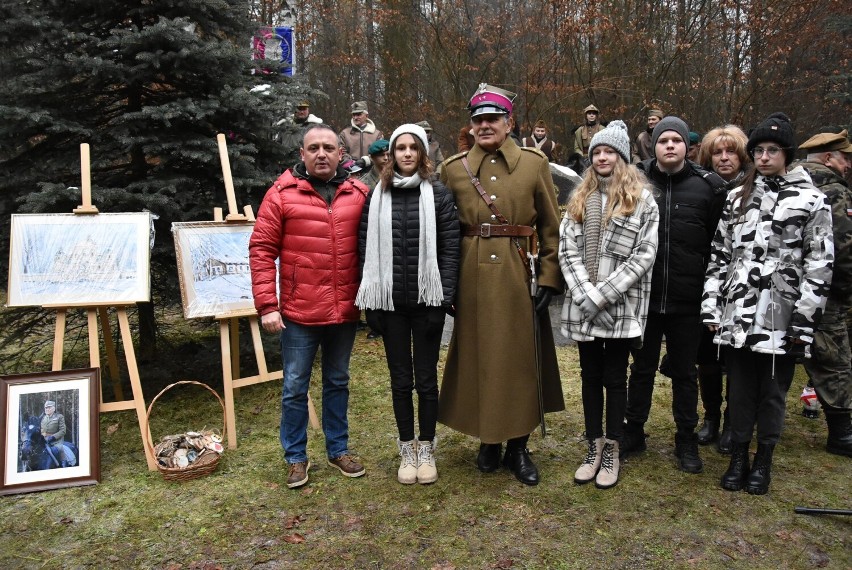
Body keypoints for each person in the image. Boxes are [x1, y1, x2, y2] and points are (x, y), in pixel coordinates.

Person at [438, 83, 565, 486]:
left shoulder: (534, 163)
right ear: (470, 126)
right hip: (471, 277)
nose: (485, 125)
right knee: (479, 356)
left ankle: (518, 446)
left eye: (493, 118)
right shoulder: (453, 168)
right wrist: (447, 284)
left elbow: (550, 226)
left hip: (517, 273)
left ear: (510, 123)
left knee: (519, 359)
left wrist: (548, 275)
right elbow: (445, 233)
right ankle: (487, 440)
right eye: (478, 119)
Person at [702, 112, 833, 494]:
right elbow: (719, 256)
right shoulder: (736, 198)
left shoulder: (812, 200)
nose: (763, 157)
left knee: (773, 393)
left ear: (787, 154)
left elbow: (820, 264)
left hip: (782, 316)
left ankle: (764, 460)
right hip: (739, 315)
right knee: (740, 389)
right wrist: (712, 307)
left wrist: (804, 321)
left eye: (771, 150)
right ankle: (738, 455)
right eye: (757, 150)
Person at [249, 123, 369, 489]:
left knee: (338, 381)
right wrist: (268, 305)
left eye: (328, 148)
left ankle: (338, 449)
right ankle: (296, 457)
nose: (321, 154)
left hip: (344, 310)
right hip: (299, 312)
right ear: (301, 154)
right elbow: (261, 250)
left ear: (340, 154)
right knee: (295, 385)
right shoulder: (282, 194)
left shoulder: (359, 193)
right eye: (313, 148)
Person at [356, 124, 460, 484]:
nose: (405, 153)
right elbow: (364, 250)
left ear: (422, 153)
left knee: (426, 380)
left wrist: (443, 301)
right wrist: (372, 305)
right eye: (399, 148)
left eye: (412, 147)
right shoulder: (376, 196)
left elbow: (450, 249)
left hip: (426, 303)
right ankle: (407, 448)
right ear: (390, 154)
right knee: (400, 381)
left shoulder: (439, 195)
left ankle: (427, 448)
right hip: (390, 305)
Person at [622, 116, 726, 475]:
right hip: (645, 297)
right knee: (642, 369)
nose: (669, 145)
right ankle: (634, 430)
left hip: (688, 298)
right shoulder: (634, 180)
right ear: (653, 144)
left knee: (684, 372)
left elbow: (718, 244)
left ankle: (685, 438)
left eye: (676, 140)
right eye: (663, 139)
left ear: (687, 146)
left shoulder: (707, 188)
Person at [559, 120, 659, 489]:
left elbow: (644, 255)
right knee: (590, 377)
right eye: (597, 152)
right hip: (584, 304)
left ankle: (613, 449)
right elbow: (566, 248)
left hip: (619, 305)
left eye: (609, 151)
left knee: (616, 379)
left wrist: (603, 294)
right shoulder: (580, 197)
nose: (602, 157)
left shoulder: (642, 200)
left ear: (623, 157)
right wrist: (585, 292)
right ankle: (593, 445)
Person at [694, 125, 752, 453]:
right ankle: (711, 417)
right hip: (707, 282)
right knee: (708, 356)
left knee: (738, 358)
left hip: (744, 285)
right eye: (718, 152)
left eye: (731, 151)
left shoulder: (753, 189)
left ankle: (733, 420)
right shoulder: (703, 186)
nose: (724, 158)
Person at [795, 129, 852, 457]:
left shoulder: (787, 182)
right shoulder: (834, 191)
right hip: (825, 293)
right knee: (833, 360)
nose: (847, 166)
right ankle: (841, 433)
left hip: (782, 290)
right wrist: (843, 293)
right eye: (845, 159)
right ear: (829, 158)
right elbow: (843, 250)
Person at [274, 99, 324, 166]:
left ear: (308, 110)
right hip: (284, 164)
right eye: (299, 109)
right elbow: (278, 144)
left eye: (304, 109)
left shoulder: (315, 126)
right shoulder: (285, 125)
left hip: (305, 165)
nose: (302, 112)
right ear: (294, 110)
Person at [338, 100, 384, 169]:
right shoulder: (345, 133)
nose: (355, 117)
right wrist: (351, 163)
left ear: (366, 115)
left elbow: (380, 153)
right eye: (354, 115)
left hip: (372, 172)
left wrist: (366, 161)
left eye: (359, 114)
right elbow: (340, 152)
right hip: (350, 172)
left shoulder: (377, 134)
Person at [41, 400, 69, 465]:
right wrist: (43, 437)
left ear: (54, 408)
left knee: (60, 449)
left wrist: (53, 437)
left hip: (57, 440)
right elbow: (42, 431)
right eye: (46, 408)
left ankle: (64, 464)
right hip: (45, 440)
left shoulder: (59, 417)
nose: (47, 409)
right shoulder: (43, 419)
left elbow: (63, 431)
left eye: (49, 407)